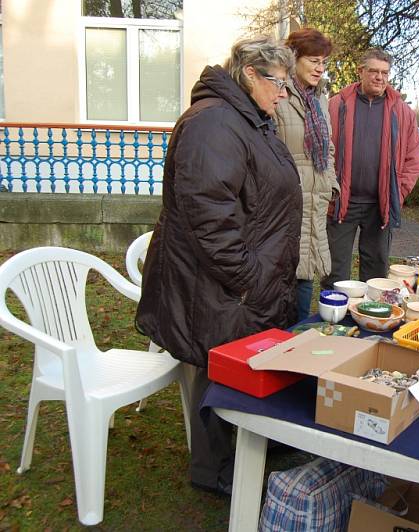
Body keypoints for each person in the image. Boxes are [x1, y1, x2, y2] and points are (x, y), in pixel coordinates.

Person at [135, 37, 300, 497]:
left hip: (247, 279)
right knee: (219, 367)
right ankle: (214, 470)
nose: (283, 93)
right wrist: (249, 280)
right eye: (277, 82)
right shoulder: (215, 123)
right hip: (222, 285)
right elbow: (209, 218)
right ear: (249, 73)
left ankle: (244, 446)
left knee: (237, 367)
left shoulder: (248, 118)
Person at [322, 48, 419, 288]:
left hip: (381, 206)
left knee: (376, 277)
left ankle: (371, 321)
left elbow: (414, 161)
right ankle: (335, 323)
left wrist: (396, 195)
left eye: (385, 73)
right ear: (360, 72)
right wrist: (328, 191)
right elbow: (320, 151)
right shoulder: (336, 106)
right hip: (341, 204)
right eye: (374, 71)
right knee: (335, 274)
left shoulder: (402, 112)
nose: (380, 77)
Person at [274, 28, 339, 321]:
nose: (320, 68)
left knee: (308, 273)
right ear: (294, 58)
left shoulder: (319, 99)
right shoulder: (279, 94)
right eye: (313, 60)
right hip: (287, 202)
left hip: (315, 202)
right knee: (285, 276)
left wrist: (332, 184)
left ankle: (294, 344)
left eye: (323, 61)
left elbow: (329, 148)